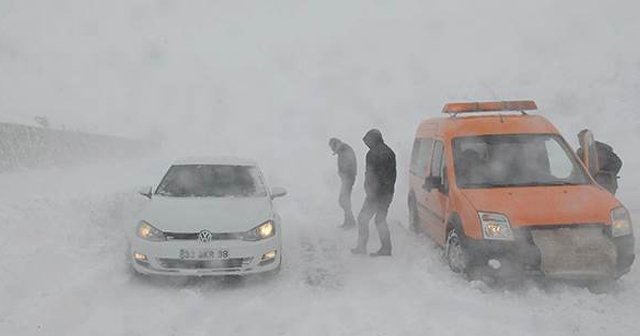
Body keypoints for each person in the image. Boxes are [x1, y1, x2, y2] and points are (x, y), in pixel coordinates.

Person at [351, 129, 396, 257]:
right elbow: (391, 175)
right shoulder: (390, 152)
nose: (367, 144)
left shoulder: (373, 153)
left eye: (367, 141)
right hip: (387, 193)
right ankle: (386, 248)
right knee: (380, 220)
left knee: (362, 219)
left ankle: (362, 247)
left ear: (373, 139)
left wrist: (370, 191)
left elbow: (371, 175)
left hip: (376, 194)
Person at [576, 129, 622, 194]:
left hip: (606, 184)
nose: (580, 142)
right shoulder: (580, 152)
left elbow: (618, 163)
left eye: (582, 139)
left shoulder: (601, 149)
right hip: (587, 184)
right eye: (579, 140)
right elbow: (576, 167)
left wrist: (603, 174)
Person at [329, 138, 358, 229]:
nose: (333, 151)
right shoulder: (342, 150)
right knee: (344, 200)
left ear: (336, 144)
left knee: (343, 200)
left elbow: (350, 164)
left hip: (348, 179)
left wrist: (345, 175)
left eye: (333, 148)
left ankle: (350, 222)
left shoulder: (345, 149)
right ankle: (348, 221)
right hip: (346, 179)